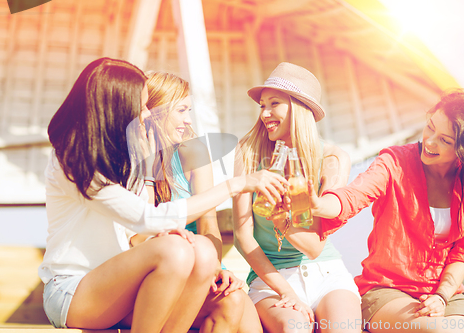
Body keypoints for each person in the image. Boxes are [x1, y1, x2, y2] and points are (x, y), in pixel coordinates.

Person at [39, 57, 288, 333]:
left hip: (123, 285)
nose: (145, 114)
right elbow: (146, 219)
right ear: (117, 106)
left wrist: (205, 261)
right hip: (74, 291)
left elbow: (142, 230)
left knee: (220, 283)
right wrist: (235, 185)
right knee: (175, 250)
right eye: (141, 106)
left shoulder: (125, 155)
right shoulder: (74, 160)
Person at [311, 88, 464, 333]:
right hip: (386, 290)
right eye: (430, 127)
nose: (430, 142)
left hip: (444, 293)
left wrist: (441, 296)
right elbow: (354, 195)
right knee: (443, 331)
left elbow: (463, 253)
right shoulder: (394, 162)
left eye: (445, 140)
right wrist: (318, 204)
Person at [233, 62, 361, 333]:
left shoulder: (332, 159)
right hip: (271, 280)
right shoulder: (247, 153)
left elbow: (314, 247)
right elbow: (242, 237)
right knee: (294, 328)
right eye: (262, 105)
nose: (265, 113)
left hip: (327, 273)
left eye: (275, 103)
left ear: (300, 108)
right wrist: (286, 291)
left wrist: (281, 219)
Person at [132, 70, 262, 333]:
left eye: (188, 110)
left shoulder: (194, 151)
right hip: (159, 269)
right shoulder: (130, 156)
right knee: (231, 304)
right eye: (181, 110)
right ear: (155, 110)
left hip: (203, 260)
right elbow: (137, 232)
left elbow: (209, 225)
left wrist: (215, 268)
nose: (188, 121)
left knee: (240, 306)